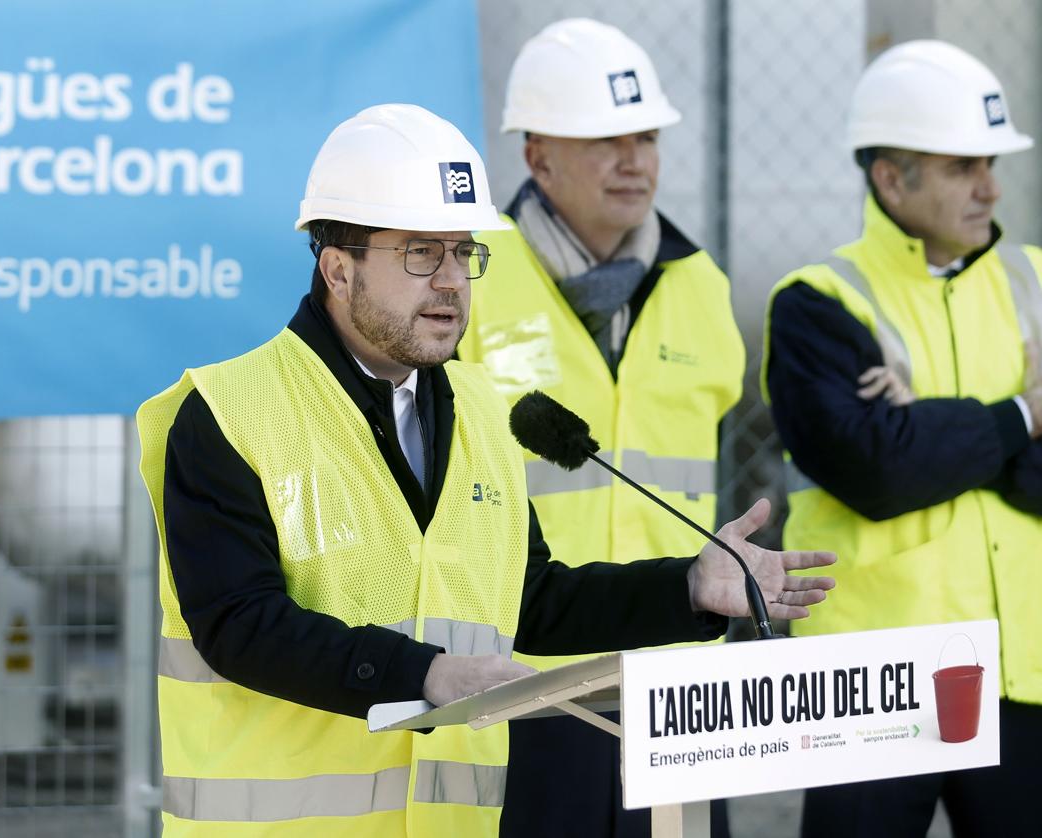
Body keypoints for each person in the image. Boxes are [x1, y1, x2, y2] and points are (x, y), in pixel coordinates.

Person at [138, 103, 835, 837]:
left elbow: (530, 602)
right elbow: (238, 623)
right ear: (337, 269)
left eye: (461, 253)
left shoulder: (480, 407)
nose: (449, 282)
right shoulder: (227, 411)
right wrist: (423, 673)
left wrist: (685, 588)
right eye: (419, 253)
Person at [457, 18, 744, 837]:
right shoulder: (469, 278)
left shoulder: (701, 285)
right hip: (531, 676)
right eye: (604, 140)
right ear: (536, 155)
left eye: (645, 137)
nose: (634, 161)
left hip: (682, 681)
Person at [762, 40, 1042, 838]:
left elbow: (907, 453)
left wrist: (931, 432)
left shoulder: (1034, 282)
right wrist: (1019, 417)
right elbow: (876, 471)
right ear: (890, 177)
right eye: (960, 166)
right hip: (873, 679)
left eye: (988, 162)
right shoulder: (817, 304)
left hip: (1020, 666)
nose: (988, 186)